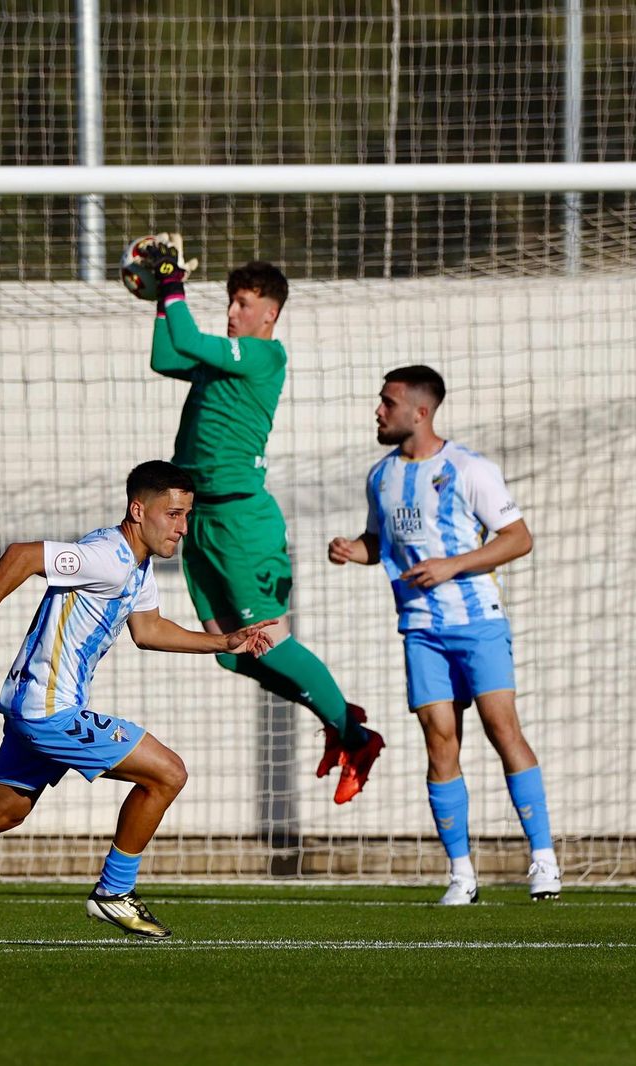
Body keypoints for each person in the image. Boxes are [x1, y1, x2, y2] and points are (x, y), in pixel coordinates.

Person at [0, 461, 278, 945]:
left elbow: (148, 630)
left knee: (1, 813)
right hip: (50, 710)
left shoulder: (138, 566)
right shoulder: (105, 555)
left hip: (33, 707)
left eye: (186, 515)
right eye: (172, 514)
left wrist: (222, 642)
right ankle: (114, 893)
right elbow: (22, 555)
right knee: (168, 773)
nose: (182, 527)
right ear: (138, 509)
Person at [142, 238, 384, 804]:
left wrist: (172, 281)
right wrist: (160, 295)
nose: (232, 312)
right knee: (230, 650)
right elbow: (164, 354)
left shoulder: (264, 356)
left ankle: (355, 737)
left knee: (270, 639)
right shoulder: (217, 363)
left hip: (241, 521)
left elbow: (184, 338)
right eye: (230, 300)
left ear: (270, 313)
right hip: (202, 521)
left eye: (243, 303)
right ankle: (337, 714)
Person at [328, 365, 561, 903]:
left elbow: (518, 537)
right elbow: (377, 542)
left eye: (388, 402)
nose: (378, 411)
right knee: (439, 742)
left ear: (420, 411)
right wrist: (351, 551)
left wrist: (453, 565)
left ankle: (543, 860)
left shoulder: (469, 468)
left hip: (476, 621)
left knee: (503, 730)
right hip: (420, 629)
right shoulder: (380, 476)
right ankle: (461, 874)